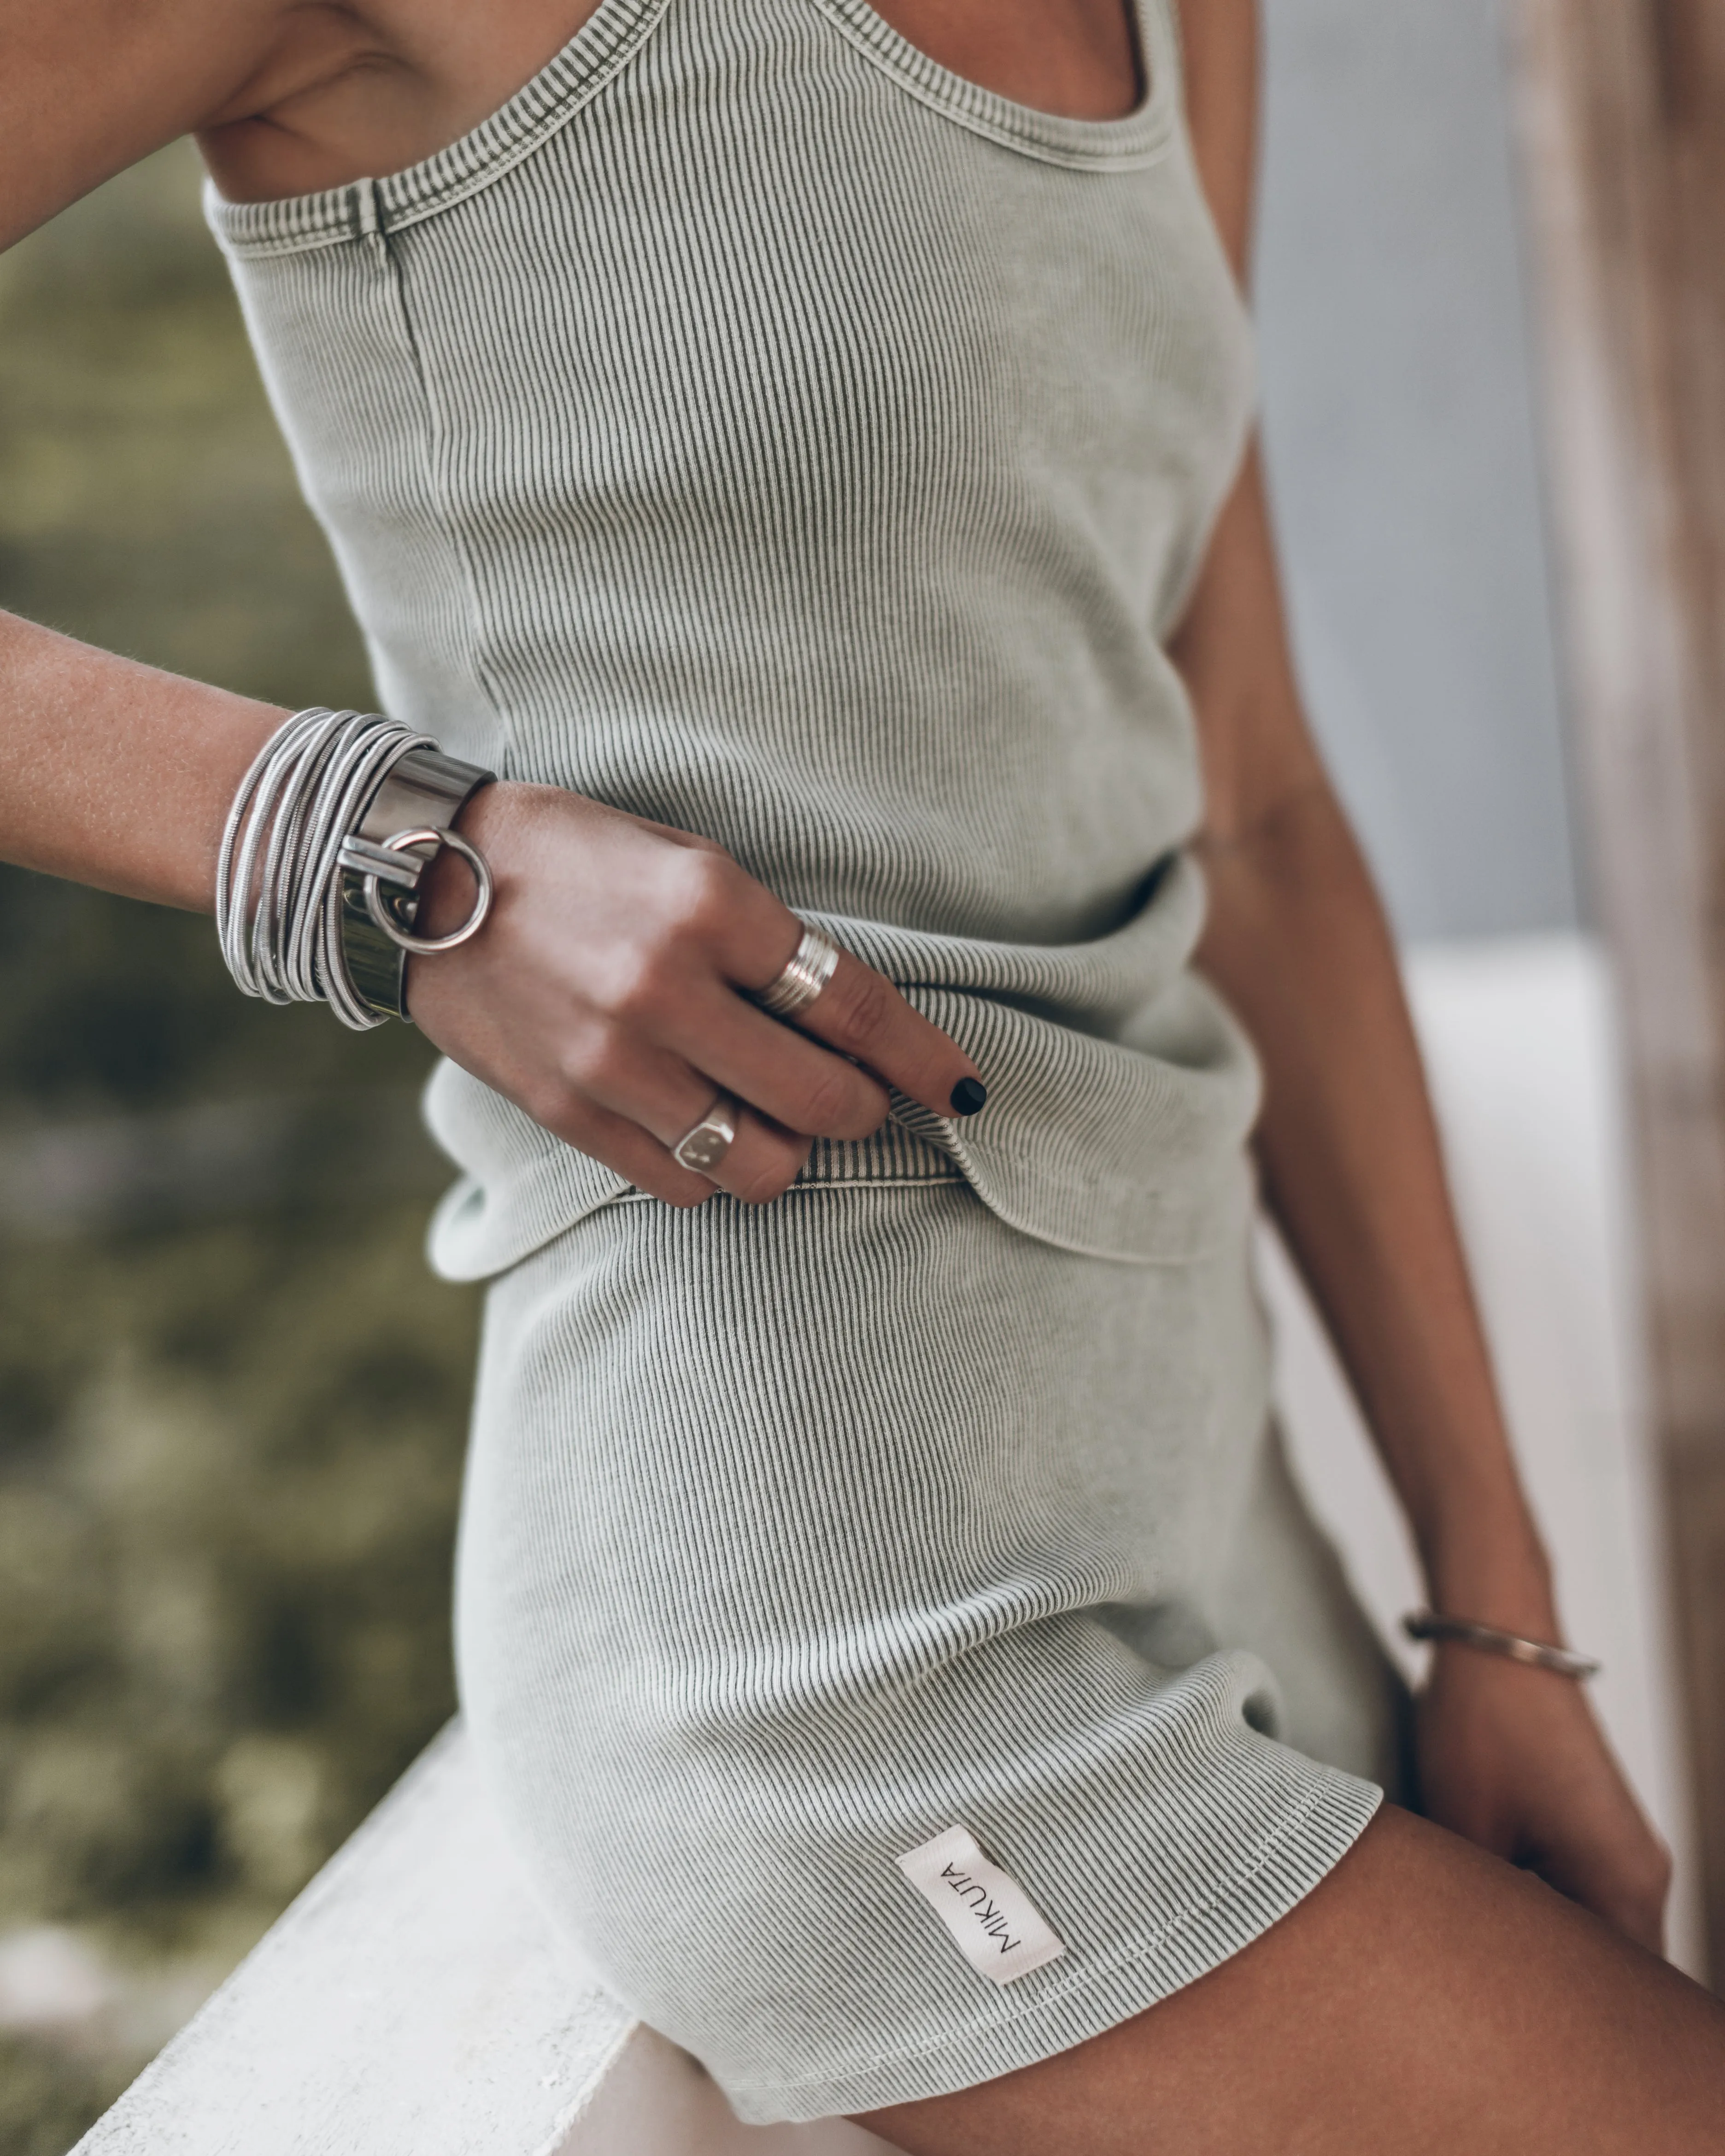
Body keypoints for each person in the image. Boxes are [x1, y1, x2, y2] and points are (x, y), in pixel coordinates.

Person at [4, 0, 1724, 2147]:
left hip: (1216, 1501)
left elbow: (1257, 804)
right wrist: (377, 837)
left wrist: (1502, 1609)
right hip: (830, 1611)